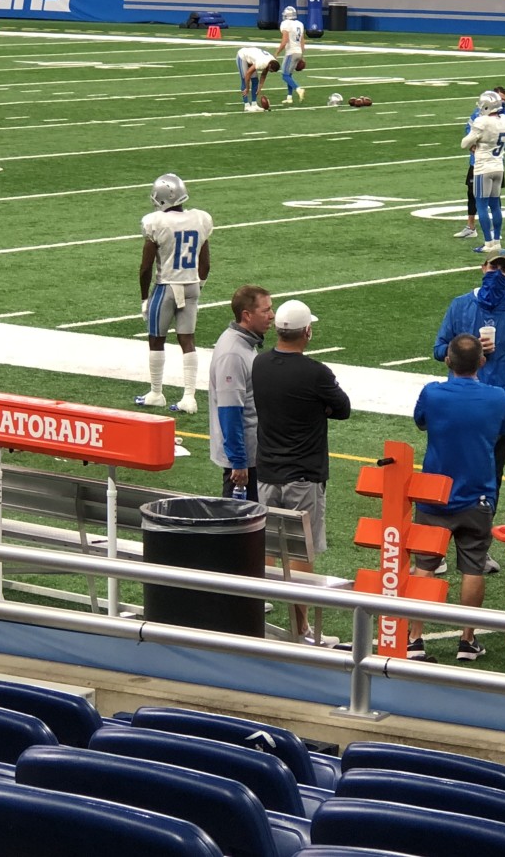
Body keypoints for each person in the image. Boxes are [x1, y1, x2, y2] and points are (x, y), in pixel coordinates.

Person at [253, 299, 351, 646]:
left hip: (267, 472)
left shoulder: (260, 365)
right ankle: (302, 630)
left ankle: (260, 614)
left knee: (267, 547)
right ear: (306, 332)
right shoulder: (316, 373)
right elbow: (343, 409)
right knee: (301, 554)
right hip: (303, 476)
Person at [408, 334, 505, 663]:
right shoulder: (497, 397)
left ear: (448, 361)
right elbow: (502, 429)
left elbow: (421, 422)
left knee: (424, 567)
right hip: (477, 494)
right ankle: (467, 641)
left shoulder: (432, 393)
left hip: (434, 495)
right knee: (473, 567)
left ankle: (415, 638)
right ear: (482, 361)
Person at [433, 255, 505, 507]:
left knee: (491, 476)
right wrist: (467, 349)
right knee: (452, 469)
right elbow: (438, 349)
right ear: (483, 268)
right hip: (460, 404)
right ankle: (448, 527)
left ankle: (481, 535)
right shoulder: (460, 305)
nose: (497, 272)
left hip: (500, 410)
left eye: (503, 268)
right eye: (493, 266)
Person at [134, 173, 211, 414]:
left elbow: (146, 267)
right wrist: (199, 285)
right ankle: (189, 397)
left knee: (156, 339)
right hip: (191, 285)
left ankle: (156, 393)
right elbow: (205, 263)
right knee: (187, 339)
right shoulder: (200, 219)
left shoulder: (156, 222)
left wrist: (145, 297)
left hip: (166, 286)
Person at [209, 285, 274, 500]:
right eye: (265, 311)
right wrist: (239, 462)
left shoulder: (244, 343)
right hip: (243, 463)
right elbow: (230, 410)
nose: (271, 316)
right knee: (237, 525)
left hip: (250, 456)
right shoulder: (233, 354)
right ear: (247, 315)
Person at [453, 85, 505, 241]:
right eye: (501, 99)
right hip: (494, 164)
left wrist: (477, 144)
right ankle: (475, 228)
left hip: (484, 164)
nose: (503, 103)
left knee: (485, 202)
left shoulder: (485, 119)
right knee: (477, 196)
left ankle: (489, 240)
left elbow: (465, 141)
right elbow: (467, 130)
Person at [275, 6, 306, 105]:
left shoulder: (285, 24)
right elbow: (302, 41)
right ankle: (289, 97)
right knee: (289, 75)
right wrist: (302, 55)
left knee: (285, 75)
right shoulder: (300, 24)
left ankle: (298, 88)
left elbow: (285, 41)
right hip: (298, 51)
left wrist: (277, 53)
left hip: (291, 52)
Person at [237, 46, 280, 113]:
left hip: (253, 58)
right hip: (242, 56)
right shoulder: (262, 63)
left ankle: (254, 104)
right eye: (271, 70)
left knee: (255, 80)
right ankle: (246, 105)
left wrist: (260, 87)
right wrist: (248, 88)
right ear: (269, 66)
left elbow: (263, 75)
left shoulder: (272, 61)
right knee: (244, 79)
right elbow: (248, 74)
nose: (270, 72)